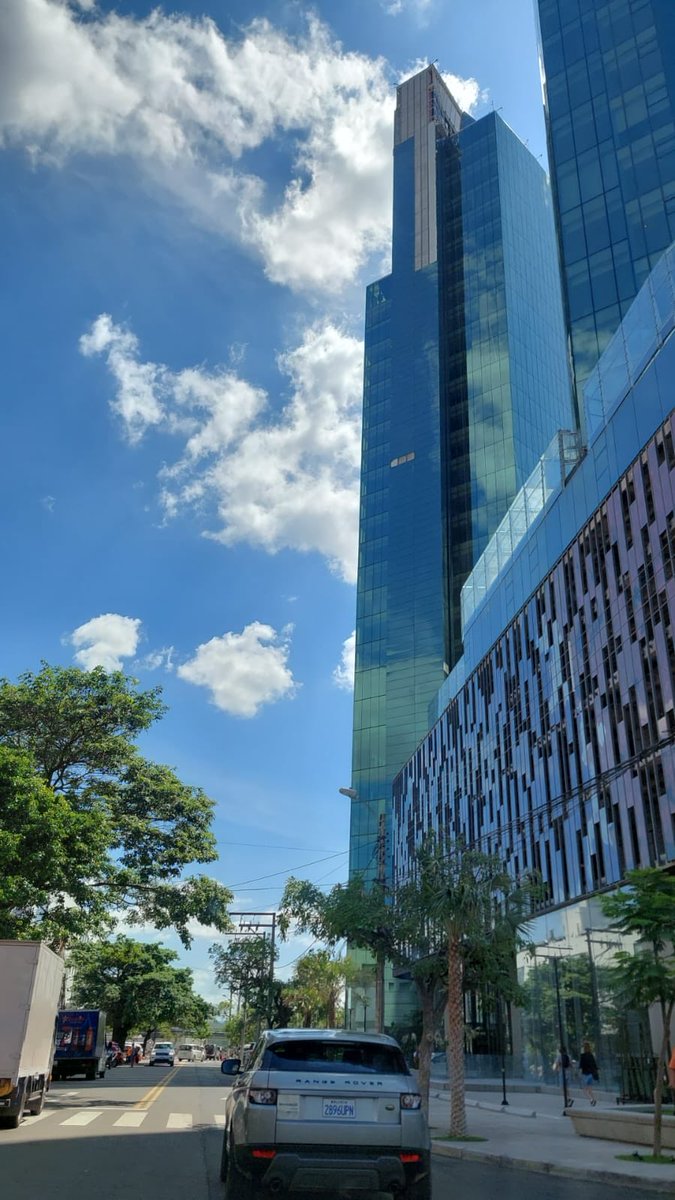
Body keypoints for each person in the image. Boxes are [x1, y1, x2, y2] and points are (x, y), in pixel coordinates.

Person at [578, 1040, 599, 1106]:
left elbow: (581, 1066)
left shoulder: (583, 1056)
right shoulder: (591, 1055)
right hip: (591, 1074)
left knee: (584, 1089)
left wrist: (579, 1073)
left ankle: (591, 1099)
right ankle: (593, 1099)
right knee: (590, 1089)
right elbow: (595, 1065)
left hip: (585, 1074)